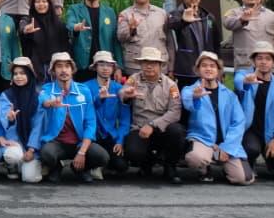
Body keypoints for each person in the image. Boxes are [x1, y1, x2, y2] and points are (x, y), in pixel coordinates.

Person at [31, 53, 107, 183]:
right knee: (46, 153)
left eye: (67, 66)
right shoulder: (47, 89)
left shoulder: (84, 91)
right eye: (59, 66)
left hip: (79, 142)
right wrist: (51, 103)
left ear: (72, 70)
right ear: (53, 71)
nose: (63, 70)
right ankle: (56, 167)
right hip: (57, 143)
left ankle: (79, 168)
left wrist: (82, 152)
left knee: (102, 157)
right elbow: (43, 100)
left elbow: (90, 123)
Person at [182, 50, 251, 185]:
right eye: (204, 65)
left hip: (225, 143)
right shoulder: (189, 90)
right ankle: (204, 169)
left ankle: (224, 165)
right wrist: (195, 97)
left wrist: (227, 148)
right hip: (203, 140)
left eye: (212, 66)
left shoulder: (230, 95)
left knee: (243, 179)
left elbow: (238, 123)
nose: (208, 69)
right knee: (195, 158)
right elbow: (188, 103)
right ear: (197, 70)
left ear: (218, 71)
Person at [120, 45, 185, 184]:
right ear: (140, 64)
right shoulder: (134, 79)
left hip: (162, 128)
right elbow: (122, 91)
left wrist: (153, 125)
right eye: (145, 62)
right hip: (139, 128)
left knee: (177, 131)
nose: (149, 66)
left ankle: (170, 166)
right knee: (133, 151)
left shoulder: (171, 85)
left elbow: (175, 112)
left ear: (160, 65)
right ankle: (146, 164)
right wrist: (126, 95)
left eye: (153, 63)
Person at [233, 40, 274, 182]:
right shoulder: (244, 76)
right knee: (252, 148)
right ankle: (248, 162)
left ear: (273, 62)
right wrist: (246, 82)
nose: (263, 62)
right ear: (253, 61)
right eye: (259, 58)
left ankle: (271, 162)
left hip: (272, 134)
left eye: (268, 59)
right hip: (250, 131)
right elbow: (239, 82)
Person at [64, 0, 122, 81]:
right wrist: (76, 27)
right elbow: (70, 24)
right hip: (83, 64)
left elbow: (115, 40)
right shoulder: (74, 9)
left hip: (105, 64)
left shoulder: (109, 12)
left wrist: (118, 67)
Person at [166, 0, 220, 90]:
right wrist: (184, 20)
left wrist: (219, 66)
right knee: (187, 97)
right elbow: (171, 25)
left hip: (208, 67)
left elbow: (216, 44)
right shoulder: (175, 14)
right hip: (186, 68)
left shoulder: (208, 16)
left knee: (207, 97)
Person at [82, 51, 128, 179]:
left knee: (122, 166)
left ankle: (104, 165)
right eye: (101, 64)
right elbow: (85, 113)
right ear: (95, 67)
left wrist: (120, 140)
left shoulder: (119, 89)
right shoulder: (85, 87)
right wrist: (99, 99)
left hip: (110, 135)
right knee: (97, 154)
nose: (105, 68)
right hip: (92, 134)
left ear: (113, 68)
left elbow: (124, 119)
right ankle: (87, 167)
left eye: (109, 65)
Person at [0, 57, 41, 182]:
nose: (18, 77)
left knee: (30, 178)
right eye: (15, 74)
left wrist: (31, 149)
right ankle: (12, 167)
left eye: (22, 73)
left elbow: (38, 126)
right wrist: (11, 120)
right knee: (13, 155)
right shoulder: (6, 95)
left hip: (32, 144)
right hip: (13, 141)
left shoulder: (38, 97)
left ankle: (35, 163)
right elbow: (2, 120)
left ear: (29, 75)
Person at [117, 0, 168, 76]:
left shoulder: (161, 13)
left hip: (160, 65)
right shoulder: (125, 14)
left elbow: (169, 41)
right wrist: (131, 29)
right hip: (135, 67)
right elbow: (120, 38)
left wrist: (171, 67)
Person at [20, 0, 69, 84]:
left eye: (44, 1)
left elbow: (65, 44)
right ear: (33, 4)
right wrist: (25, 30)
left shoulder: (58, 22)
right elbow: (22, 27)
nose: (41, 4)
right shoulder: (28, 20)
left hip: (56, 68)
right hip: (37, 68)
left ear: (49, 3)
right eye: (37, 1)